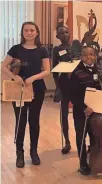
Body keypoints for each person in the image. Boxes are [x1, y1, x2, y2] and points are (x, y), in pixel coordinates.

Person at [1, 21, 50, 168]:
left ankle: (34, 152)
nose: (29, 32)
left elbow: (47, 70)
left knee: (34, 121)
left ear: (37, 32)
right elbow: (3, 66)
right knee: (20, 121)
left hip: (37, 89)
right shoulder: (15, 49)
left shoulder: (42, 50)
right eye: (26, 30)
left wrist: (33, 78)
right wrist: (15, 77)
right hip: (19, 90)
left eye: (32, 30)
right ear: (22, 33)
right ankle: (19, 154)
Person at [69, 46, 99, 175]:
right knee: (81, 136)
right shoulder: (76, 72)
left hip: (95, 110)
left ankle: (93, 159)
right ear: (81, 57)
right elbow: (73, 94)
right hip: (81, 110)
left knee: (94, 134)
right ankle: (82, 163)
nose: (89, 57)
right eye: (86, 55)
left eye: (91, 54)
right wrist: (84, 107)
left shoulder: (97, 70)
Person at [52, 26, 73, 154]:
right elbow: (54, 70)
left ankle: (86, 141)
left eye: (66, 32)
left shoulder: (77, 46)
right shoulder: (56, 50)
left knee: (82, 113)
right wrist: (58, 87)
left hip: (77, 84)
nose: (65, 35)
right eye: (61, 33)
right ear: (57, 36)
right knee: (64, 114)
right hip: (64, 84)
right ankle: (67, 141)